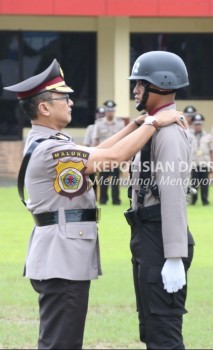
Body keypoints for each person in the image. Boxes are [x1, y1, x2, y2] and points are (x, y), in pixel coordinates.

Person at [4, 58, 185, 349]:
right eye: (63, 98)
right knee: (61, 343)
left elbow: (99, 150)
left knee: (63, 339)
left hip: (60, 254)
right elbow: (112, 159)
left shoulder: (50, 141)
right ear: (44, 107)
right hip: (61, 257)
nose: (71, 103)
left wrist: (136, 124)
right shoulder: (52, 147)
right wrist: (152, 122)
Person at [125, 50, 195, 349]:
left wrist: (175, 255)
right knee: (151, 329)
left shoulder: (168, 134)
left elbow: (173, 196)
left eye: (140, 83)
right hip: (146, 234)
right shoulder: (153, 126)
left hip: (160, 238)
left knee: (163, 333)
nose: (135, 90)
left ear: (161, 84)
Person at [92, 100, 125, 205]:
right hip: (102, 156)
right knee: (103, 179)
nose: (110, 113)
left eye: (112, 111)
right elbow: (96, 140)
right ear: (106, 111)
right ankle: (103, 199)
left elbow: (124, 140)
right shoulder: (99, 123)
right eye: (108, 111)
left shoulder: (120, 123)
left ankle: (116, 200)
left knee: (115, 179)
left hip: (115, 156)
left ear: (114, 111)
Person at [191, 113, 213, 206]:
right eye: (196, 124)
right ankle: (194, 200)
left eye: (199, 124)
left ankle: (205, 200)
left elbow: (212, 151)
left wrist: (212, 164)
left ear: (202, 125)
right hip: (193, 164)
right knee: (194, 183)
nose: (198, 126)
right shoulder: (189, 135)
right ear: (193, 125)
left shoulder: (208, 136)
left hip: (204, 163)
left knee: (204, 184)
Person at [83, 106, 106, 196]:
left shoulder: (106, 127)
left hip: (104, 156)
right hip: (93, 157)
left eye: (103, 114)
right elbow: (86, 144)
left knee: (104, 179)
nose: (101, 116)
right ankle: (94, 196)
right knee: (92, 179)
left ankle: (104, 198)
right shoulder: (91, 128)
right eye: (99, 114)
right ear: (96, 115)